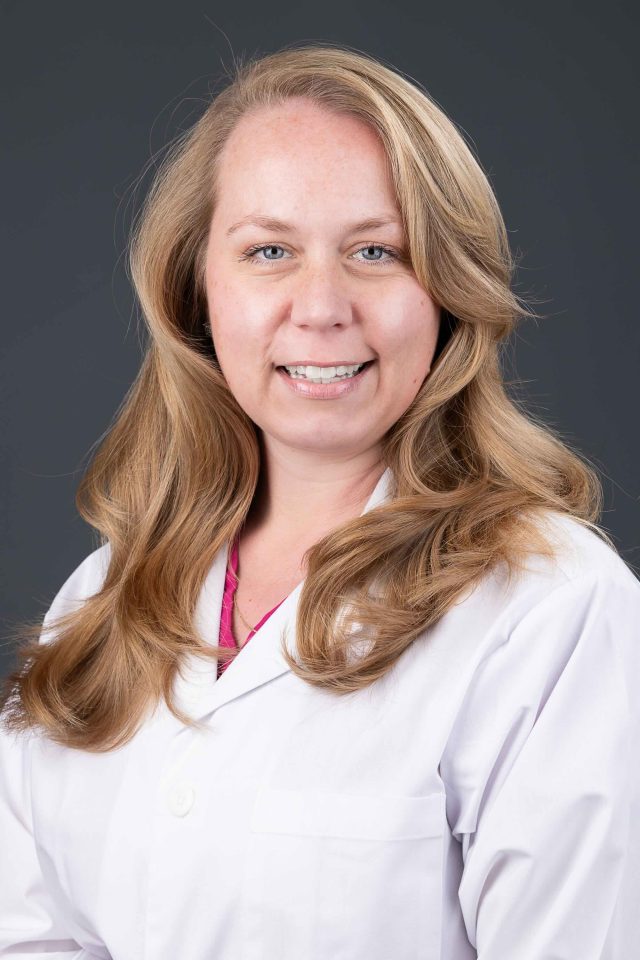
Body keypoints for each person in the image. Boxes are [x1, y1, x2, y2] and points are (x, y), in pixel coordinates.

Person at [1, 42, 639, 960]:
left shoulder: (551, 611)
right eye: (269, 251)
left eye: (376, 252)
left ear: (448, 291)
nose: (321, 307)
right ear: (197, 290)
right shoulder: (102, 601)